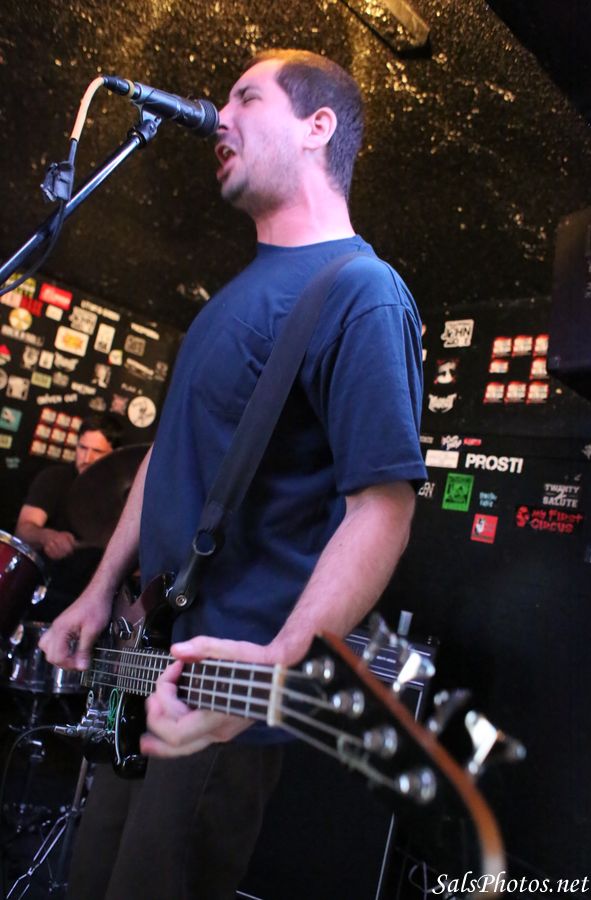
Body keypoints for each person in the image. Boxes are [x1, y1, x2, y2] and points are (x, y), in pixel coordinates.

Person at [40, 49, 428, 899]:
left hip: (222, 690)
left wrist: (278, 666)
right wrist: (100, 589)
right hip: (146, 655)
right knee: (89, 879)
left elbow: (383, 508)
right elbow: (167, 462)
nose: (220, 117)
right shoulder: (233, 297)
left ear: (318, 127)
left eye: (247, 98)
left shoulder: (361, 291)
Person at [16, 412, 123, 620]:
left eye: (97, 451)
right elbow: (23, 529)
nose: (86, 458)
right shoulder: (54, 478)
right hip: (43, 591)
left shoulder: (122, 496)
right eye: (82, 448)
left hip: (92, 603)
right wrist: (47, 536)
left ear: (115, 454)